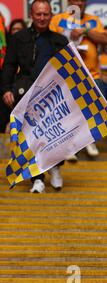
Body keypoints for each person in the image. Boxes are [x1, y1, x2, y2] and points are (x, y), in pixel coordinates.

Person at [1, 0, 68, 193]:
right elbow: (9, 66)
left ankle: (55, 167)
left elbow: (70, 70)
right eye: (38, 14)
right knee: (30, 137)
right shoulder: (18, 38)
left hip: (55, 97)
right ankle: (36, 178)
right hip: (26, 94)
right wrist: (6, 89)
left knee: (57, 134)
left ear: (51, 15)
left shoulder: (60, 41)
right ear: (31, 14)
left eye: (45, 14)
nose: (42, 18)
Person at [50, 0, 107, 159]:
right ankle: (70, 145)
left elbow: (106, 40)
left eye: (81, 0)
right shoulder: (57, 19)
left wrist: (84, 31)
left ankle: (87, 139)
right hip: (65, 75)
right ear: (68, 2)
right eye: (74, 0)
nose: (78, 3)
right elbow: (50, 43)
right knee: (66, 103)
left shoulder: (93, 20)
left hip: (91, 76)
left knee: (97, 93)